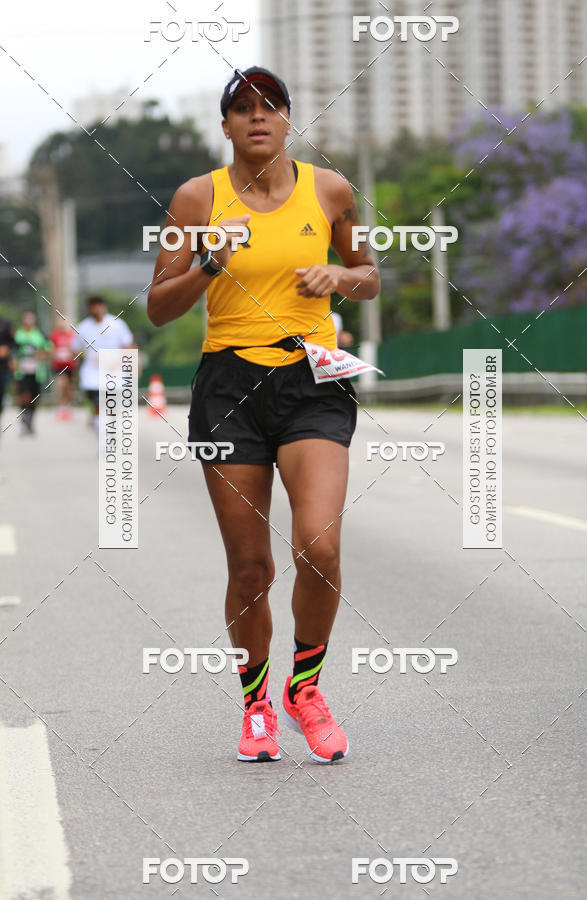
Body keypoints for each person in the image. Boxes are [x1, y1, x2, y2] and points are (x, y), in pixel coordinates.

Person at [148, 66, 379, 763]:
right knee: (250, 568)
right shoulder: (196, 199)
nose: (257, 117)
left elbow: (369, 276)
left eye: (270, 106)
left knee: (320, 545)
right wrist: (210, 265)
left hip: (313, 380)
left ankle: (303, 688)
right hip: (228, 389)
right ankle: (255, 706)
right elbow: (159, 305)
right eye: (242, 108)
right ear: (224, 126)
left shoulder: (331, 190)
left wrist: (341, 276)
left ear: (287, 120)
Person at [72, 296, 135, 435]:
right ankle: (103, 439)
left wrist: (122, 363)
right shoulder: (83, 327)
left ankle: (109, 434)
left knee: (111, 408)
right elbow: (75, 350)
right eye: (92, 306)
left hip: (114, 373)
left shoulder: (117, 324)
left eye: (98, 305)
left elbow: (129, 347)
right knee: (98, 406)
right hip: (92, 375)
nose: (96, 309)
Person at [13, 311, 52, 436]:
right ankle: (25, 417)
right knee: (24, 395)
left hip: (37, 372)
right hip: (21, 371)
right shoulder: (17, 334)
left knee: (35, 397)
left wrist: (42, 354)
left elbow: (49, 349)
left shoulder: (40, 334)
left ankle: (30, 420)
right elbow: (12, 350)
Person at [49, 317, 77, 420]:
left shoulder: (72, 336)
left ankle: (67, 407)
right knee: (61, 385)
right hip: (59, 366)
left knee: (69, 389)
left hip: (70, 366)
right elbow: (51, 349)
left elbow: (76, 350)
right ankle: (60, 408)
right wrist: (54, 355)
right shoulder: (55, 336)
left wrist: (72, 353)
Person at [0, 317, 15, 433]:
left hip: (3, 366)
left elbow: (13, 342)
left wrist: (7, 349)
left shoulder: (5, 323)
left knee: (1, 393)